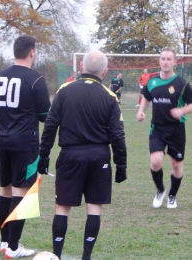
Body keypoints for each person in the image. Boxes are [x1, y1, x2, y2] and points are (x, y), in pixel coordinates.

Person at [37, 50, 127, 260]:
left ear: (82, 67)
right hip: (99, 157)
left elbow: (50, 125)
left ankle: (56, 256)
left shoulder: (65, 90)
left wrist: (44, 156)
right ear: (105, 72)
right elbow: (118, 136)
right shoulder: (110, 96)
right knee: (94, 207)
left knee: (62, 206)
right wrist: (121, 166)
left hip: (70, 156)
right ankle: (86, 257)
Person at [0, 35, 51, 258]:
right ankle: (14, 247)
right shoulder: (36, 79)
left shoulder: (0, 76)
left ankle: (4, 242)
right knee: (22, 193)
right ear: (32, 52)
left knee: (5, 190)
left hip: (2, 140)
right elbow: (46, 115)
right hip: (24, 143)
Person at [136, 47, 192, 209]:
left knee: (176, 164)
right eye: (163, 59)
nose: (166, 62)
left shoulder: (182, 84)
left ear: (174, 62)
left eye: (169, 59)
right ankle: (160, 190)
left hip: (176, 129)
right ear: (159, 61)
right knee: (155, 161)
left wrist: (181, 110)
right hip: (157, 129)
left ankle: (172, 196)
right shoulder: (152, 82)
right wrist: (141, 111)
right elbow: (146, 98)